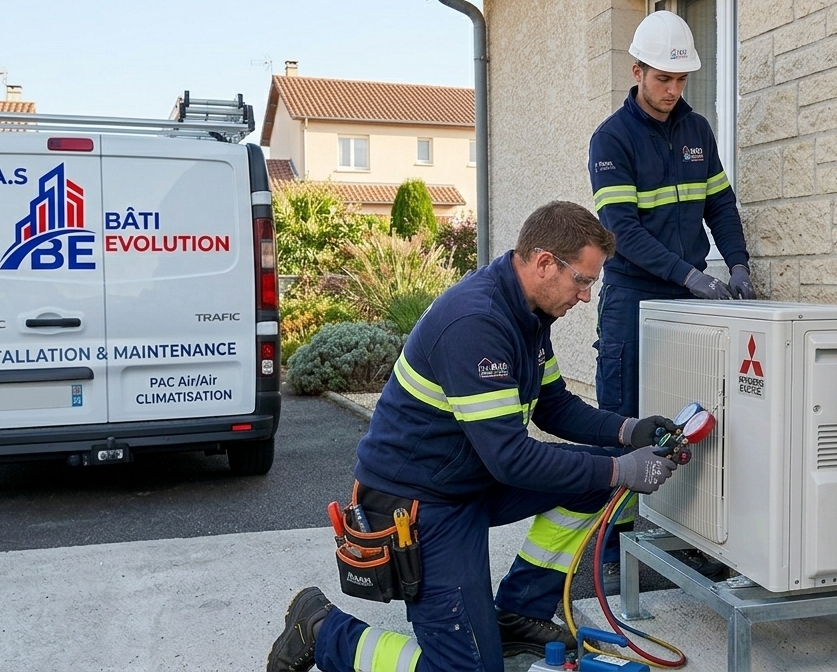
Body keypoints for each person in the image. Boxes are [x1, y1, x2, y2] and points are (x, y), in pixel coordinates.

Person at [267, 201, 684, 672]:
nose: (586, 296)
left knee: (595, 479)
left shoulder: (529, 315)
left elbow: (554, 406)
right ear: (546, 263)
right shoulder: (478, 324)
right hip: (421, 504)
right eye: (583, 280)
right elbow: (512, 459)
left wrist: (629, 431)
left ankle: (517, 613)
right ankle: (322, 629)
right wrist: (622, 467)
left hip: (470, 477)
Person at [587, 9, 753, 588]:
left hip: (689, 300)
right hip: (635, 298)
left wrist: (737, 264)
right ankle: (614, 548)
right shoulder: (611, 139)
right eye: (663, 79)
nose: (673, 90)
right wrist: (691, 275)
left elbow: (722, 207)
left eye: (681, 80)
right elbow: (622, 233)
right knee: (625, 418)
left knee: (687, 417)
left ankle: (679, 533)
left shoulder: (698, 131)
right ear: (637, 71)